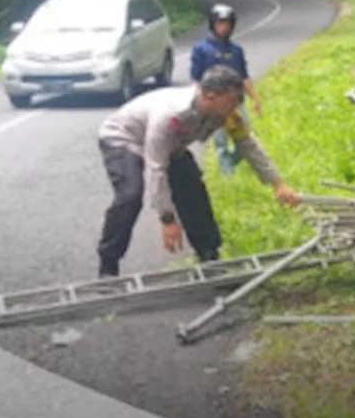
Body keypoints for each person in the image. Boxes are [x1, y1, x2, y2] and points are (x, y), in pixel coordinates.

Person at [94, 65, 300, 278]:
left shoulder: (226, 112)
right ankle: (108, 265)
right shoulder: (171, 115)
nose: (235, 106)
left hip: (173, 145)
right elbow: (156, 168)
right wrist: (167, 219)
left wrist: (277, 182)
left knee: (193, 188)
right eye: (231, 100)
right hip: (123, 137)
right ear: (210, 96)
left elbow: (247, 144)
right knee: (130, 195)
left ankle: (209, 256)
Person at [190, 3, 262, 175]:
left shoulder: (236, 50)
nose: (224, 27)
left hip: (236, 103)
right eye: (220, 23)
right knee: (221, 143)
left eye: (228, 24)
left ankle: (229, 164)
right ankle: (227, 177)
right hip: (215, 104)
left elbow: (244, 77)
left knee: (246, 139)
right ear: (213, 24)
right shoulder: (201, 49)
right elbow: (196, 80)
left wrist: (255, 99)